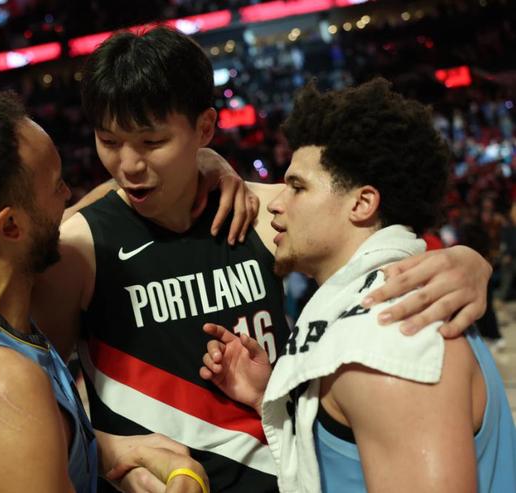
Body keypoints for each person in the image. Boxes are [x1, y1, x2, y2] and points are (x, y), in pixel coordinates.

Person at [33, 27, 493, 493]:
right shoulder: (79, 248)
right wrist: (111, 451)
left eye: (152, 143)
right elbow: (33, 405)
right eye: (109, 142)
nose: (129, 165)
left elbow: (380, 239)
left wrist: (465, 261)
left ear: (205, 129)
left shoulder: (270, 212)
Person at [201, 79, 516, 492]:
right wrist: (277, 399)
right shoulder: (386, 315)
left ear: (362, 203)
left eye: (297, 187)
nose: (276, 203)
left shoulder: (387, 336)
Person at [0, 93, 208, 493]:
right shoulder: (0, 385)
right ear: (11, 226)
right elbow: (10, 433)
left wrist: (110, 450)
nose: (68, 195)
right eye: (57, 184)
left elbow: (11, 455)